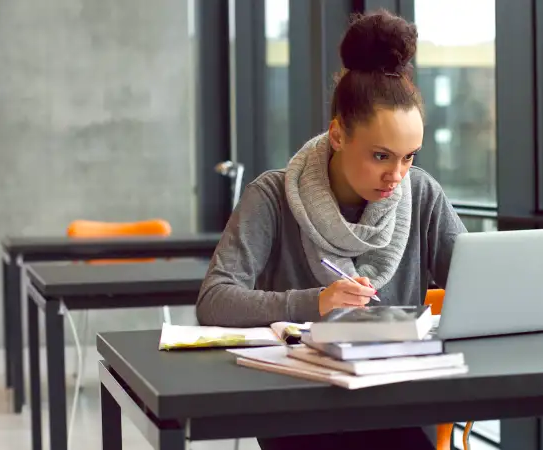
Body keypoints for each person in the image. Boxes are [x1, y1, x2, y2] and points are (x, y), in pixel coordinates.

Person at [196, 9, 467, 450]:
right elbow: (214, 301)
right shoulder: (272, 195)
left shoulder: (422, 194)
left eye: (409, 156)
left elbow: (474, 283)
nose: (396, 175)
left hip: (396, 402)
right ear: (338, 135)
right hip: (298, 411)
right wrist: (315, 302)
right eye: (381, 156)